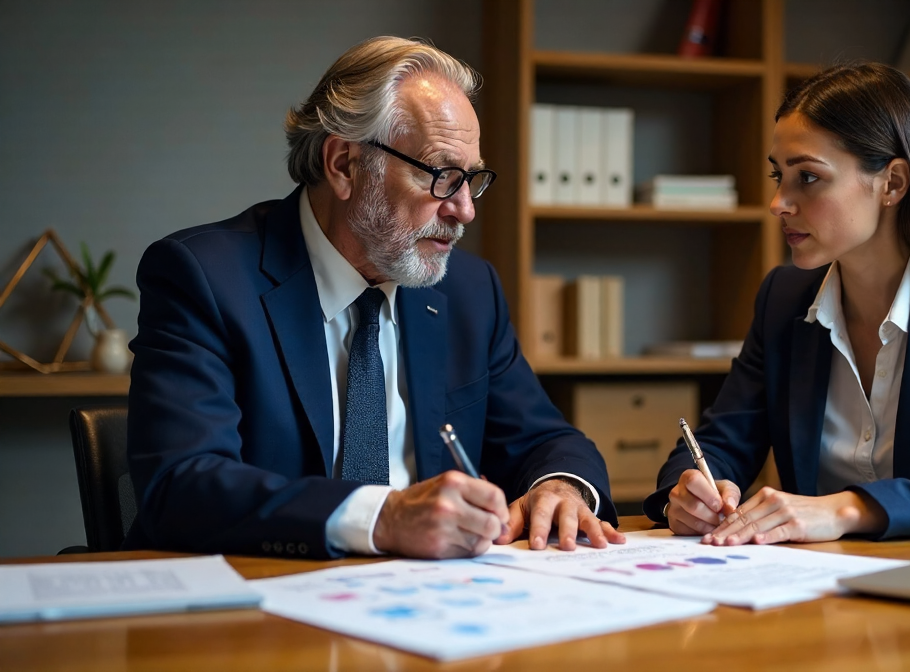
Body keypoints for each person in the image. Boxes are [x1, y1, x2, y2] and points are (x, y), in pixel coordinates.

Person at [126, 36, 624, 560]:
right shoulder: (204, 277)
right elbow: (180, 485)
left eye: (471, 180)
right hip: (263, 602)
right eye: (440, 175)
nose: (463, 210)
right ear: (344, 164)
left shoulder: (470, 291)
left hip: (435, 608)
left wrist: (561, 487)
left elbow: (546, 441)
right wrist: (381, 517)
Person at [645, 62, 910, 544]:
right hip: (824, 587)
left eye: (809, 178)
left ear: (893, 184)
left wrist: (847, 509)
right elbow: (721, 439)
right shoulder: (783, 298)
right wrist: (689, 491)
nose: (779, 202)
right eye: (779, 176)